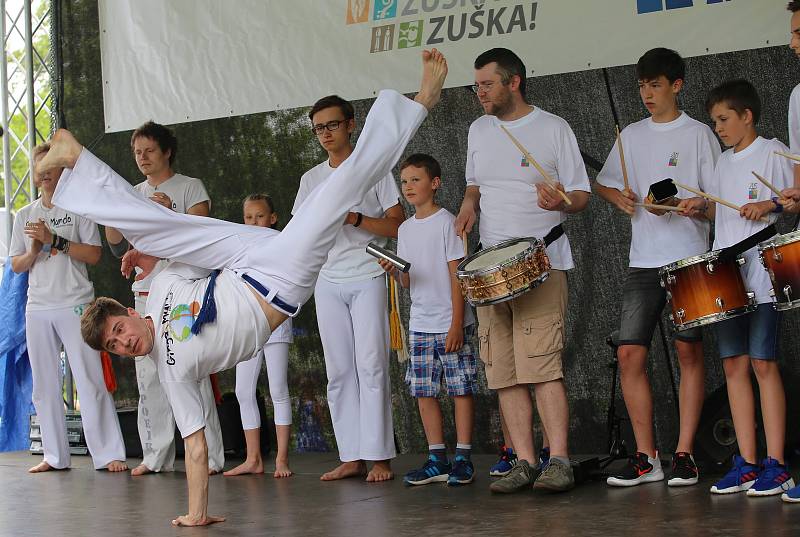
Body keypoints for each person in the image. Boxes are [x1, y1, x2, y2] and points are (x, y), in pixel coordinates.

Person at [41, 48, 447, 526]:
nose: (125, 342)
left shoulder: (166, 283)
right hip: (279, 279)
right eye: (115, 346)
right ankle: (419, 102)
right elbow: (194, 446)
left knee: (156, 226)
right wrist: (196, 514)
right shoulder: (171, 373)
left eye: (118, 330)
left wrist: (144, 252)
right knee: (337, 192)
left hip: (242, 258)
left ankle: (75, 157)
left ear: (128, 312)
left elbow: (181, 242)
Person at [454, 47, 590, 493]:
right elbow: (476, 183)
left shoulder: (553, 128)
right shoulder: (478, 129)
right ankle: (526, 462)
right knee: (504, 371)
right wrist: (469, 203)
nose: (480, 92)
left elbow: (580, 195)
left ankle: (560, 460)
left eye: (487, 84)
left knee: (542, 366)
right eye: (476, 85)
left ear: (513, 82)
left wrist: (561, 202)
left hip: (540, 262)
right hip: (492, 272)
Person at [594, 47, 720, 487]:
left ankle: (684, 452)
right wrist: (622, 199)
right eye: (642, 86)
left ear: (677, 85)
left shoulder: (699, 133)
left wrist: (694, 206)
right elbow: (605, 184)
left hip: (688, 258)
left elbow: (715, 201)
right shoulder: (630, 135)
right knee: (629, 353)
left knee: (689, 351)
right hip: (643, 260)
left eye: (655, 85)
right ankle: (647, 457)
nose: (647, 93)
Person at [292, 93, 405, 483]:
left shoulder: (373, 168)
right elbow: (298, 233)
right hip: (328, 279)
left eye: (332, 124)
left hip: (369, 273)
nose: (325, 133)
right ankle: (351, 455)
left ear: (351, 124)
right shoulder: (311, 179)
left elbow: (397, 224)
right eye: (319, 127)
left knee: (371, 365)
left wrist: (356, 218)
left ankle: (379, 457)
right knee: (339, 371)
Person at [104, 121, 224, 476]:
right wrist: (111, 207)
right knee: (148, 377)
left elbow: (203, 233)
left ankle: (213, 457)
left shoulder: (189, 187)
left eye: (149, 150)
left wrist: (169, 209)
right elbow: (114, 241)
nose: (142, 158)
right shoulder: (133, 191)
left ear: (167, 151)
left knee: (192, 371)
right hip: (145, 293)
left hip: (184, 293)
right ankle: (155, 455)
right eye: (137, 152)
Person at [700, 79, 794, 498]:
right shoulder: (721, 164)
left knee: (763, 364)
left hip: (763, 275)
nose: (718, 127)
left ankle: (777, 464)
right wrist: (697, 207)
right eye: (714, 121)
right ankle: (748, 462)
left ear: (746, 116)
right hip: (725, 277)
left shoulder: (774, 150)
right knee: (734, 367)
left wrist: (771, 205)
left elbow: (795, 200)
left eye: (723, 119)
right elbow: (721, 217)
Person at [10, 143, 126, 473]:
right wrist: (33, 251)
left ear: (64, 170)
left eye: (51, 165)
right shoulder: (24, 215)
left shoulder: (79, 209)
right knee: (44, 385)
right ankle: (54, 456)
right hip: (38, 306)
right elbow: (16, 265)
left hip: (75, 302)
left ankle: (108, 454)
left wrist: (54, 240)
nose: (45, 172)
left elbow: (94, 254)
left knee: (90, 380)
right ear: (34, 175)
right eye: (39, 167)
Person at [378, 153, 476, 486]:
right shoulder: (404, 229)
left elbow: (457, 276)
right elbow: (408, 281)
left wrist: (456, 324)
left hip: (450, 321)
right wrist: (395, 273)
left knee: (460, 389)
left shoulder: (449, 222)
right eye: (404, 181)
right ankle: (437, 458)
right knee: (424, 392)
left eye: (415, 180)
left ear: (434, 183)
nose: (408, 187)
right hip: (419, 322)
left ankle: (463, 457)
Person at [223, 194, 294, 478]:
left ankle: (282, 458)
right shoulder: (240, 245)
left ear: (273, 218)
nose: (254, 222)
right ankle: (253, 458)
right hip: (247, 326)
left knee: (278, 388)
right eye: (249, 217)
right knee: (242, 391)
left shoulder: (282, 244)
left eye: (260, 216)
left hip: (275, 323)